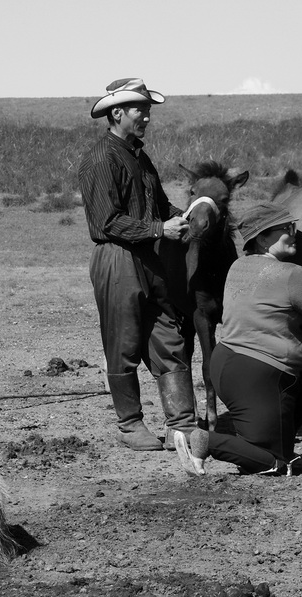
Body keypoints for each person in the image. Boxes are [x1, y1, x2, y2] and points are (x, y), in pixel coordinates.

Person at [175, 204, 302, 475]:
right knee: (275, 462)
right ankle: (204, 441)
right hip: (259, 376)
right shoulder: (291, 275)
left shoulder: (237, 266)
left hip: (226, 366)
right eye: (285, 229)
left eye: (293, 227)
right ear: (263, 239)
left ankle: (259, 436)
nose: (293, 234)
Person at [78, 78, 197, 452]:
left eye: (147, 109)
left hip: (150, 255)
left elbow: (161, 207)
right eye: (140, 109)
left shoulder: (141, 157)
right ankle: (130, 425)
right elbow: (105, 222)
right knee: (123, 341)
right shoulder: (100, 158)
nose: (147, 116)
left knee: (168, 333)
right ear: (117, 113)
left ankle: (183, 422)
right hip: (117, 257)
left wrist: (193, 217)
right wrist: (161, 228)